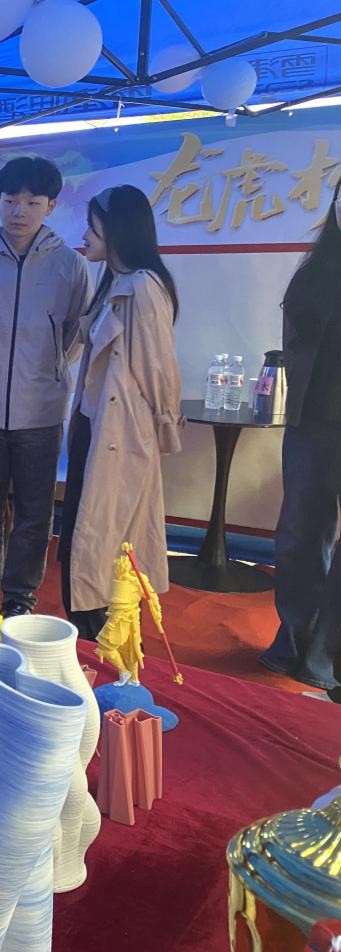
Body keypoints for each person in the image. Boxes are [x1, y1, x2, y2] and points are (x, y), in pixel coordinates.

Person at [0, 156, 92, 617]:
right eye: (11, 200)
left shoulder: (70, 266)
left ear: (51, 206)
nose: (19, 211)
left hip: (41, 412)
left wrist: (46, 370)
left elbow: (74, 334)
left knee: (34, 513)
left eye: (32, 202)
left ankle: (19, 599)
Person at [58, 185, 183, 640]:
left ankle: (104, 645)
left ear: (117, 230)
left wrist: (163, 428)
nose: (84, 236)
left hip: (121, 434)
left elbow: (159, 370)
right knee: (84, 536)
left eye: (92, 228)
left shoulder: (144, 288)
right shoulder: (114, 281)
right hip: (94, 428)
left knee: (103, 540)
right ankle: (92, 639)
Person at [261, 177, 341, 699]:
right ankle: (292, 637)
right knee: (298, 535)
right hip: (312, 422)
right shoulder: (315, 270)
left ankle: (325, 655)